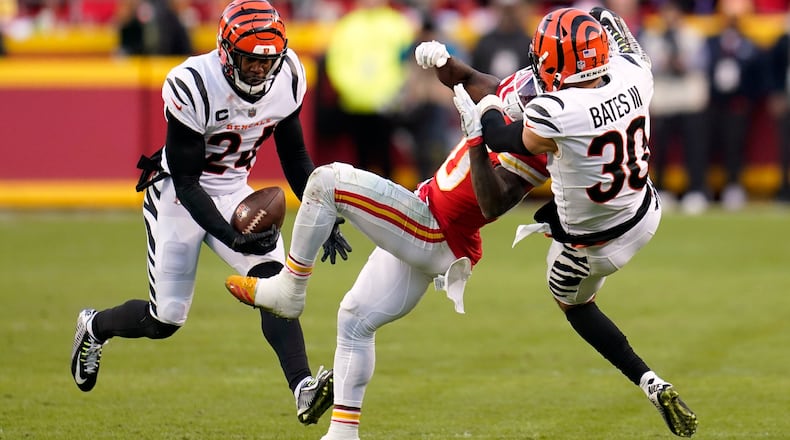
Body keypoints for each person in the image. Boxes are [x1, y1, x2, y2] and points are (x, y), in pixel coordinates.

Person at [222, 43, 551, 439]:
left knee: (327, 182)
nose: (535, 83)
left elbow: (493, 202)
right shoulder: (526, 86)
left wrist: (478, 139)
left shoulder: (543, 140)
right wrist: (444, 62)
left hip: (437, 228)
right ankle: (342, 434)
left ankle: (290, 288)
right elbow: (471, 80)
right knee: (356, 319)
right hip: (432, 215)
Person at [69, 0, 351, 426]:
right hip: (178, 196)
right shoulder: (193, 84)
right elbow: (186, 181)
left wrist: (322, 212)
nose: (258, 70)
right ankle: (94, 327)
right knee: (165, 318)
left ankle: (302, 387)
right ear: (225, 51)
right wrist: (231, 235)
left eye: (266, 61)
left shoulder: (288, 75)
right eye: (249, 60)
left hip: (234, 189)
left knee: (277, 291)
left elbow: (294, 155)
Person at [452, 7, 698, 437]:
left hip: (593, 245)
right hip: (643, 213)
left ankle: (647, 379)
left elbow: (501, 137)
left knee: (572, 302)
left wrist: (488, 104)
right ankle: (650, 382)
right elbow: (622, 33)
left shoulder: (557, 109)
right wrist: (600, 13)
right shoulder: (635, 74)